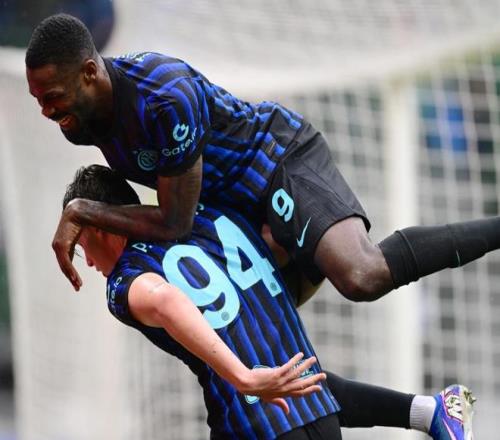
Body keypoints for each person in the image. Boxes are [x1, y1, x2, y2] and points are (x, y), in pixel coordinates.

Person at [25, 14, 500, 301]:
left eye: (53, 97)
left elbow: (174, 222)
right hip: (233, 208)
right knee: (256, 342)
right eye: (39, 100)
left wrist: (82, 210)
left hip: (276, 163)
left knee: (361, 275)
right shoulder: (79, 123)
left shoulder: (163, 97)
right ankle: (425, 411)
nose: (46, 111)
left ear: (90, 72)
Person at [64, 164, 475, 440]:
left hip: (254, 422)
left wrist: (244, 378)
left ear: (99, 227)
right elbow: (281, 241)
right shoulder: (207, 217)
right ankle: (429, 410)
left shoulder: (125, 279)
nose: (90, 263)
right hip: (318, 410)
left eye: (82, 248)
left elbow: (166, 299)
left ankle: (429, 411)